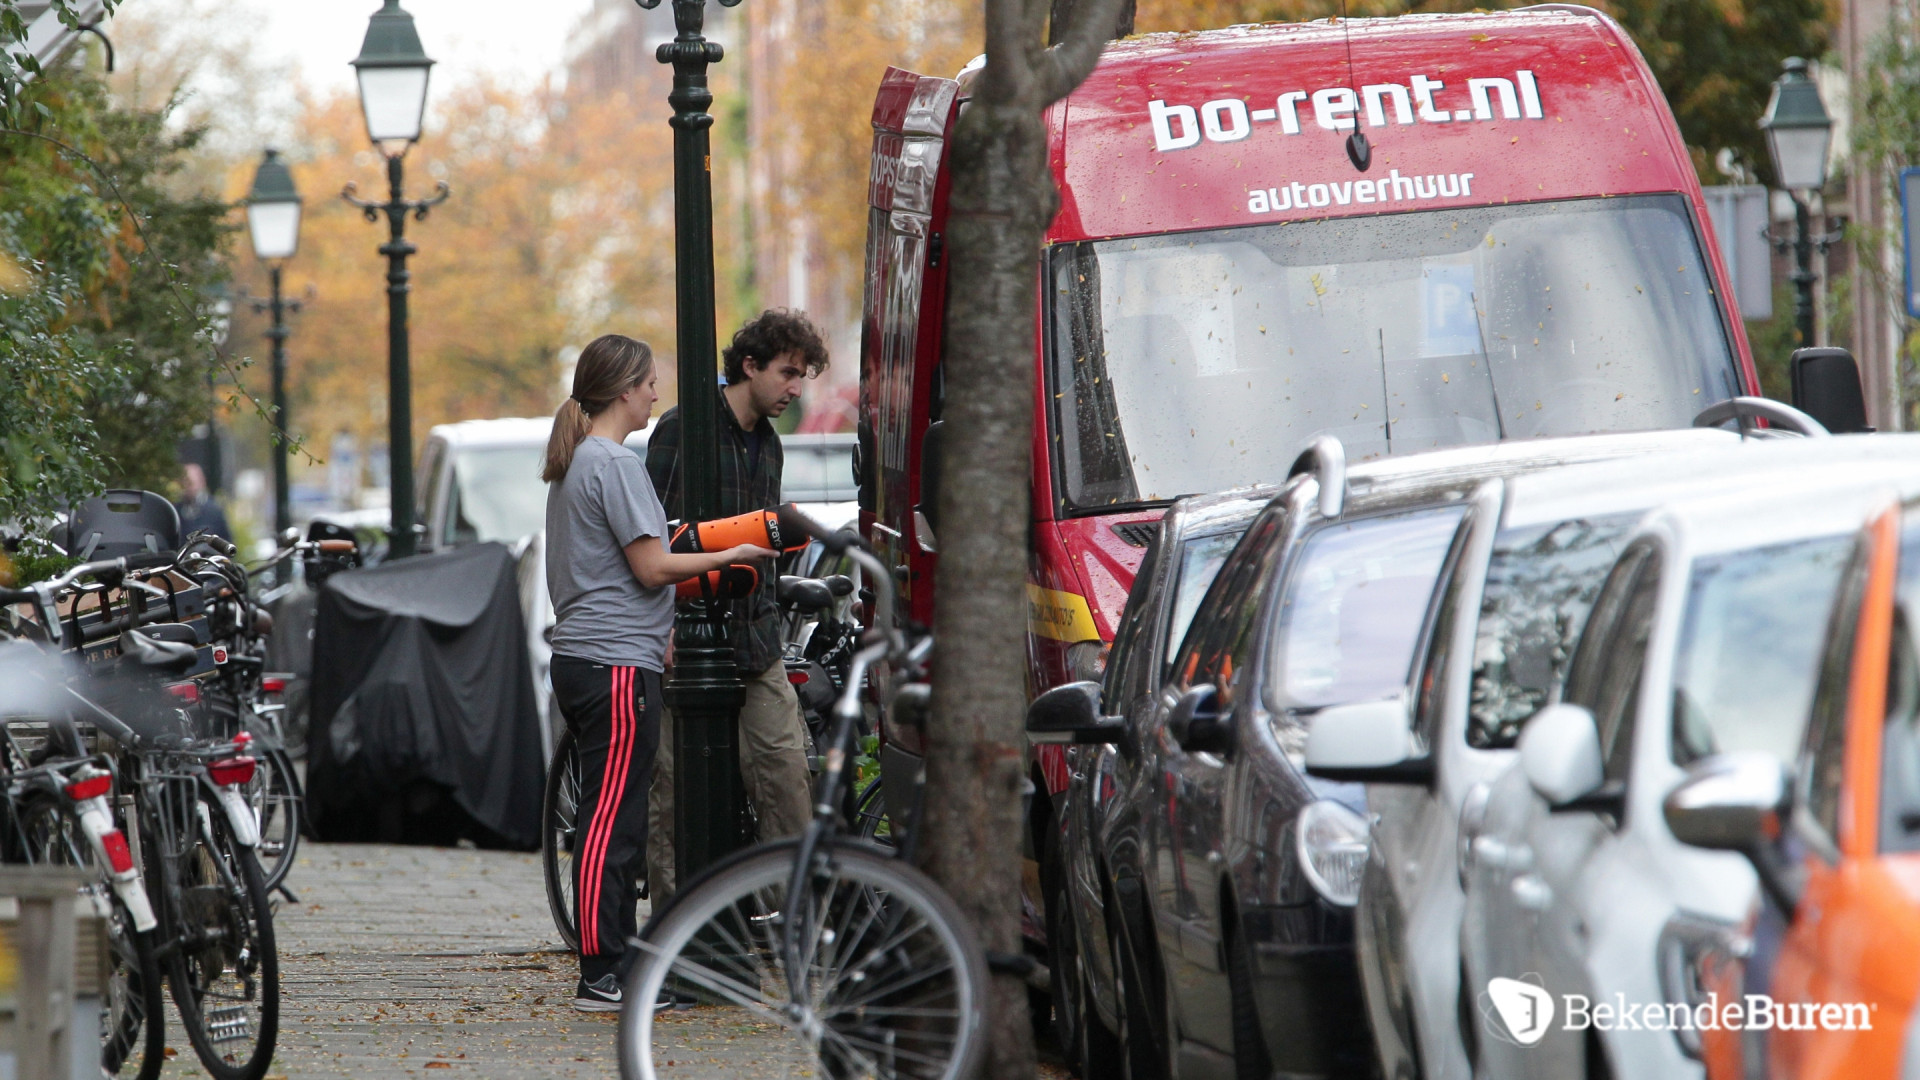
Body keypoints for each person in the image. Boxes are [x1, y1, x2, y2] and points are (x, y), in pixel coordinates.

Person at [541, 334, 774, 1012]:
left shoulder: (579, 461)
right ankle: (600, 973)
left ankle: (610, 961)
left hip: (599, 655)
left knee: (612, 817)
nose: (654, 394)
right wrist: (736, 551)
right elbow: (650, 566)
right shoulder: (612, 464)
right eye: (647, 383)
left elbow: (612, 570)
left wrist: (660, 628)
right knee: (613, 823)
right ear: (622, 390)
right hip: (611, 663)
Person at [645, 308, 830, 901]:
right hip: (685, 638)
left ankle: (792, 922)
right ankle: (677, 929)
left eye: (802, 376)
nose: (796, 389)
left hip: (755, 639)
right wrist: (664, 623)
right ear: (748, 366)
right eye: (787, 373)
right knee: (671, 791)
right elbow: (649, 536)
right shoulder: (683, 428)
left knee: (786, 778)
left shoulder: (770, 446)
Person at [174, 463, 232, 541]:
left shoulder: (214, 510)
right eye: (184, 482)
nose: (187, 487)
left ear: (201, 482)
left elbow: (226, 540)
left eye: (191, 483)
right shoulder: (176, 510)